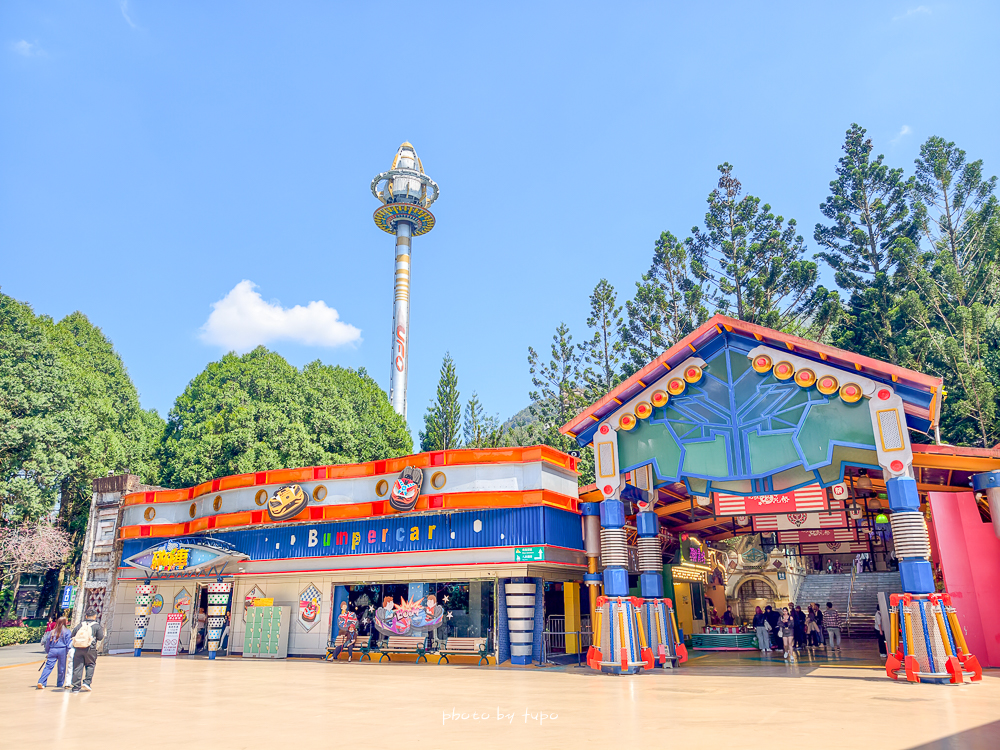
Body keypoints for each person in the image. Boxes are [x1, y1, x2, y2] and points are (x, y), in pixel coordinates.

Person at [69, 608, 104, 693]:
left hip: (78, 648)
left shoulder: (80, 625)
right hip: (90, 649)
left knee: (77, 666)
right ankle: (87, 682)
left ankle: (76, 687)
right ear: (95, 616)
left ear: (86, 616)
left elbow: (72, 634)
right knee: (90, 664)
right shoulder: (96, 626)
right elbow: (100, 637)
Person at [38, 616, 72, 689]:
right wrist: (69, 651)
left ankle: (41, 681)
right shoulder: (67, 631)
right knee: (61, 668)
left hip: (52, 650)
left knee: (48, 667)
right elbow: (69, 643)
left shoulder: (52, 632)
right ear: (64, 622)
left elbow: (47, 643)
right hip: (62, 650)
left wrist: (48, 651)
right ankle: (60, 683)